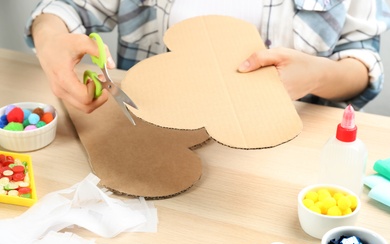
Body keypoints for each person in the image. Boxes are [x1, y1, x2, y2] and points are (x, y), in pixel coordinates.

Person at [25, 0, 390, 113]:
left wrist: (318, 75)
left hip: (279, 148)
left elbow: (361, 58)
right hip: (150, 129)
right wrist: (50, 37)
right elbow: (67, 8)